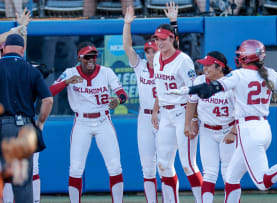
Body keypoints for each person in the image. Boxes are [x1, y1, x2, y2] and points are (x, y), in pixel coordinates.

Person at [167, 39, 277, 203]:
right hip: (262, 127)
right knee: (232, 177)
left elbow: (213, 88)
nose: (239, 57)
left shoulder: (239, 75)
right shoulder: (269, 73)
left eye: (241, 54)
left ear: (246, 57)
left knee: (263, 183)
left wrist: (186, 90)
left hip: (248, 130)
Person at [0, 34, 53, 203]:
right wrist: (40, 123)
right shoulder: (31, 70)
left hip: (0, 127)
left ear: (4, 49)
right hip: (26, 128)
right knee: (23, 183)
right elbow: (48, 100)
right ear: (23, 49)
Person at [49, 43, 128, 203]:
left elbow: (123, 94)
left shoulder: (106, 72)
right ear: (79, 58)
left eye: (93, 56)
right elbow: (49, 91)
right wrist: (66, 82)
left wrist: (118, 100)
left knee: (115, 167)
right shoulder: (70, 73)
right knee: (76, 169)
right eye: (87, 56)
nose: (91, 59)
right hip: (82, 121)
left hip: (103, 120)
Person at [122, 3, 178, 202]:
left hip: (166, 117)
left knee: (165, 165)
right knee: (147, 167)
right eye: (147, 51)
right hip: (145, 117)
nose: (151, 54)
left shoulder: (169, 65)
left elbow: (176, 47)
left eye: (153, 51)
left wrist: (173, 22)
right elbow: (127, 47)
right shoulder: (141, 67)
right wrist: (127, 24)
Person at [151, 22, 202, 202]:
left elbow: (194, 91)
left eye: (163, 39)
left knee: (188, 164)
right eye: (157, 39)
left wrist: (192, 118)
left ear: (172, 39)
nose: (159, 42)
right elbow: (160, 88)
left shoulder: (183, 60)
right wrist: (155, 110)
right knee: (163, 164)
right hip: (165, 114)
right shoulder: (157, 57)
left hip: (182, 112)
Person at [185, 51, 237, 203]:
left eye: (208, 65)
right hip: (207, 130)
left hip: (228, 129)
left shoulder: (232, 83)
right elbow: (191, 102)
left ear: (219, 67)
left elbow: (242, 112)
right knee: (209, 173)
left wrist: (233, 132)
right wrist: (190, 121)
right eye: (204, 65)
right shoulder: (200, 80)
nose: (205, 68)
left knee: (229, 173)